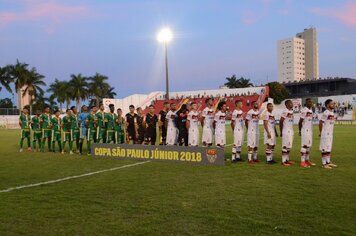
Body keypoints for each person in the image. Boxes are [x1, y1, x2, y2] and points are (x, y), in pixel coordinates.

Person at [319, 99, 337, 169]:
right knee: (324, 148)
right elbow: (321, 122)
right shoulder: (326, 113)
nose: (333, 105)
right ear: (327, 105)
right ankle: (324, 164)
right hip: (325, 133)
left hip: (330, 133)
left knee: (329, 148)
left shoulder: (332, 113)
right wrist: (321, 132)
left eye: (333, 104)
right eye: (332, 104)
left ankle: (328, 162)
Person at [299, 98, 315, 168]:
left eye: (311, 102)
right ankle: (302, 161)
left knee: (308, 146)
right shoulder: (304, 110)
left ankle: (307, 160)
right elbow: (300, 121)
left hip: (310, 130)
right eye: (309, 102)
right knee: (304, 146)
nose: (311, 103)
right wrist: (300, 131)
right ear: (306, 103)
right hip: (305, 130)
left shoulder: (310, 110)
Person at [280, 99, 295, 166]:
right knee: (285, 146)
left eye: (292, 103)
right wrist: (281, 131)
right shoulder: (285, 111)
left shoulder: (291, 111)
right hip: (286, 131)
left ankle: (287, 160)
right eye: (290, 103)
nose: (292, 104)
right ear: (287, 105)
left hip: (291, 131)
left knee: (289, 146)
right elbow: (281, 121)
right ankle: (283, 161)